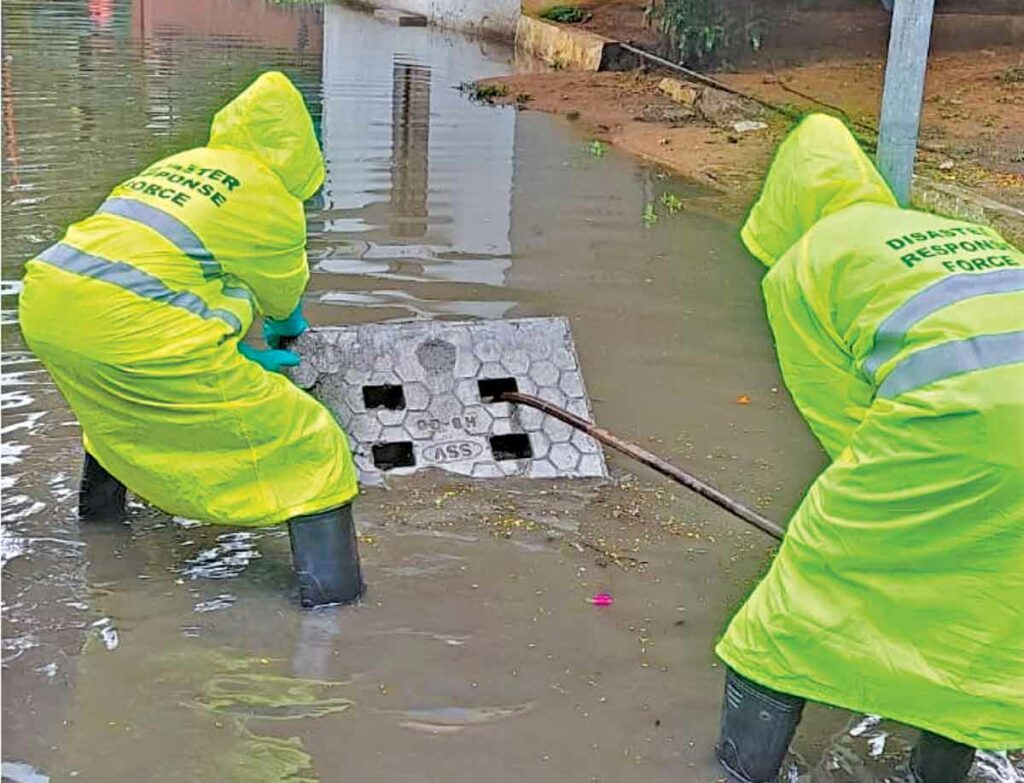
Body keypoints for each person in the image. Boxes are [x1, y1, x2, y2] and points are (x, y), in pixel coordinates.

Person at [715, 113, 1023, 782]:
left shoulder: (806, 261)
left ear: (787, 199)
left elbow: (842, 418)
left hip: (956, 421)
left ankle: (741, 772)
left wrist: (877, 535)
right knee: (979, 609)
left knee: (786, 611)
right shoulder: (956, 231)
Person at [18, 71, 362, 608]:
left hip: (48, 303)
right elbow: (280, 296)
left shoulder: (181, 164)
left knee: (117, 418)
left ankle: (101, 539)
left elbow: (163, 271)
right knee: (311, 443)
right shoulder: (268, 193)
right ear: (302, 151)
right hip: (132, 326)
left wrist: (235, 357)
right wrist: (288, 337)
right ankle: (336, 608)